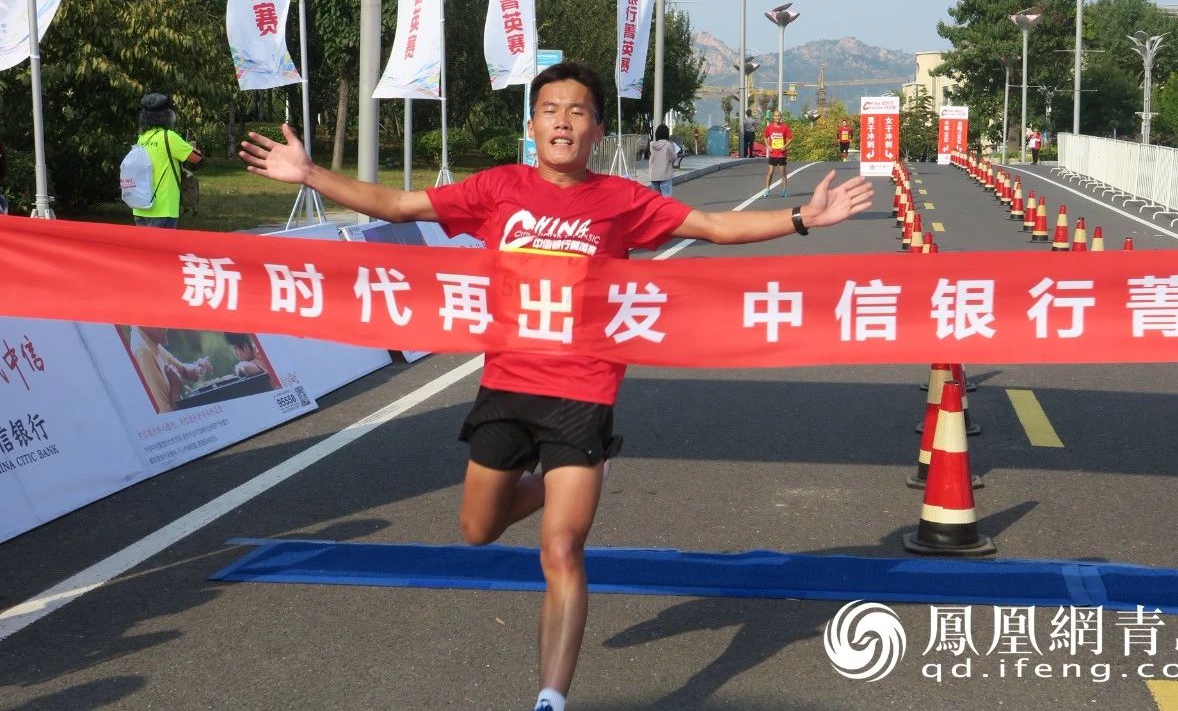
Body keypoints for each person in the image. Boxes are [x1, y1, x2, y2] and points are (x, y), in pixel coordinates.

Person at [238, 61, 873, 711]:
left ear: (597, 129)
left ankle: (550, 696)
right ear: (532, 124)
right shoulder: (498, 188)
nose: (562, 121)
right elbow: (400, 205)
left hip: (584, 389)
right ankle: (549, 483)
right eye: (550, 110)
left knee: (562, 546)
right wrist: (311, 174)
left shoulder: (620, 200)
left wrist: (802, 218)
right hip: (507, 384)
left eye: (577, 111)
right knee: (478, 527)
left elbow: (709, 226)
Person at [132, 92, 202, 228]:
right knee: (160, 249)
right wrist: (195, 150)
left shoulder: (142, 138)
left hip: (140, 206)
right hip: (163, 209)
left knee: (145, 249)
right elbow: (195, 158)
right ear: (167, 116)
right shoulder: (169, 137)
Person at [128, 326, 212, 413]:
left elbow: (184, 370)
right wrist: (176, 386)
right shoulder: (143, 351)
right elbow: (165, 416)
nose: (166, 327)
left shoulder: (151, 340)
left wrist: (198, 366)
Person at [761, 110, 793, 197]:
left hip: (782, 153)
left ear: (781, 117)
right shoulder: (769, 127)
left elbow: (790, 138)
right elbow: (765, 137)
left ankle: (784, 191)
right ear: (773, 117)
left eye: (779, 116)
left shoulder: (785, 127)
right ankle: (767, 189)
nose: (777, 117)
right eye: (776, 116)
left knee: (783, 172)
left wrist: (785, 146)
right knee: (770, 171)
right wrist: (768, 146)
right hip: (773, 153)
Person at [647, 124, 678, 197]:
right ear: (666, 134)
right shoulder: (668, 144)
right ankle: (667, 209)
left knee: (656, 198)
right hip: (665, 174)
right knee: (666, 198)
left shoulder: (652, 145)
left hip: (654, 175)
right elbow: (673, 157)